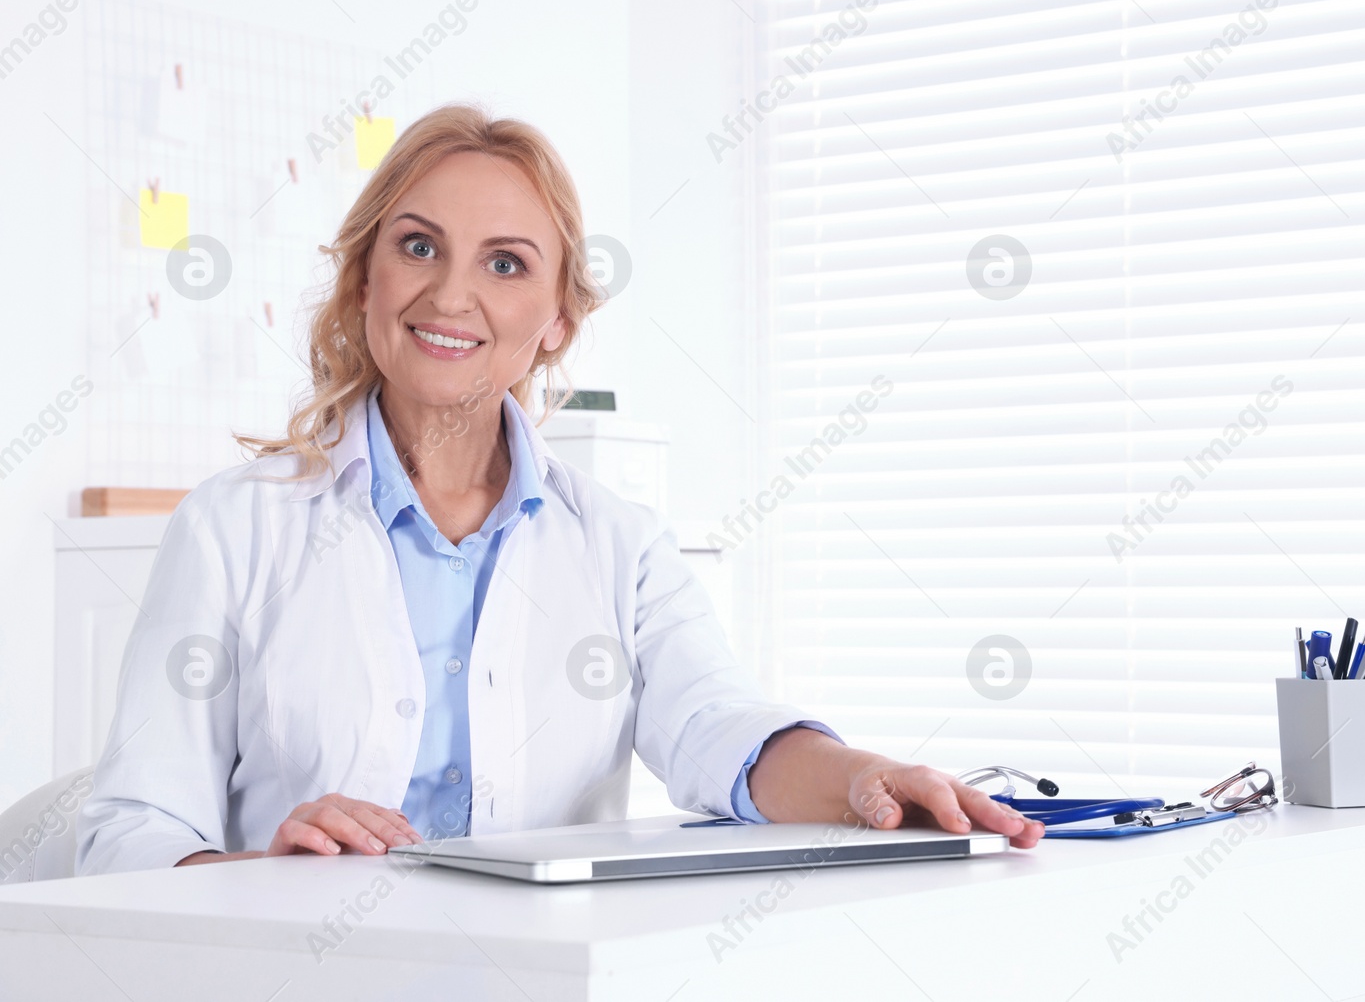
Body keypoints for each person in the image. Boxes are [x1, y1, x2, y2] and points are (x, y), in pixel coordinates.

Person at [76, 104, 1043, 875]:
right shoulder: (235, 527)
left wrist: (867, 782)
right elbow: (130, 827)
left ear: (555, 323)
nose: (452, 295)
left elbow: (719, 729)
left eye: (506, 264)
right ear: (363, 277)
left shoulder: (617, 543)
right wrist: (256, 870)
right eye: (418, 246)